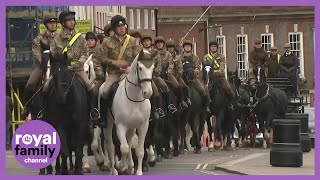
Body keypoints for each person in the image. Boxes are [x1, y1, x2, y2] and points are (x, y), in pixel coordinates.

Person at [49, 10, 98, 120]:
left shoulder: (80, 37)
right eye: (69, 20)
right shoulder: (56, 39)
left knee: (89, 86)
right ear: (63, 23)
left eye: (73, 20)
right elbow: (53, 54)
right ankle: (43, 111)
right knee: (47, 86)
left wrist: (78, 63)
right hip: (62, 70)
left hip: (78, 69)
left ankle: (92, 111)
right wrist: (61, 64)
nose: (72, 22)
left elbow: (85, 53)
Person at [95, 15, 140, 102]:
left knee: (145, 88)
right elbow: (101, 57)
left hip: (130, 73)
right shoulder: (107, 42)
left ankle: (154, 111)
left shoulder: (133, 41)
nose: (122, 28)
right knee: (104, 92)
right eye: (119, 26)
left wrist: (130, 66)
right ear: (114, 28)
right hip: (114, 73)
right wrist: (113, 62)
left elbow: (137, 57)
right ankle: (103, 113)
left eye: (123, 26)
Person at [21, 13, 58, 119]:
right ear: (46, 24)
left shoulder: (60, 38)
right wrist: (44, 61)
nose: (53, 25)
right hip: (43, 66)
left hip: (57, 66)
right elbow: (36, 52)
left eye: (54, 23)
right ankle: (26, 106)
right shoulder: (39, 38)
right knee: (30, 83)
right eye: (50, 23)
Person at [178, 40, 210, 112]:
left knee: (202, 90)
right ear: (184, 48)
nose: (187, 48)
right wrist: (182, 73)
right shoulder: (179, 57)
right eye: (186, 46)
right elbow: (178, 67)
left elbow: (198, 67)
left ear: (191, 48)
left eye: (189, 46)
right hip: (182, 77)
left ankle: (205, 107)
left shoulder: (195, 58)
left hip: (193, 78)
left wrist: (193, 73)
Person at [203, 40, 235, 108]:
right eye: (212, 46)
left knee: (228, 88)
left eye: (215, 46)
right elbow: (204, 66)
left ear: (217, 48)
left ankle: (230, 103)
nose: (213, 48)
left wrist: (219, 71)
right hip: (209, 77)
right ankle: (204, 106)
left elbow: (222, 66)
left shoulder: (221, 56)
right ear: (210, 48)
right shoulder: (206, 57)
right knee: (203, 90)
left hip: (219, 77)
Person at [140, 33, 165, 118]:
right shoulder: (140, 52)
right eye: (144, 41)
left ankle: (158, 109)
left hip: (153, 76)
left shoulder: (155, 52)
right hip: (143, 76)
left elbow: (159, 65)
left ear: (150, 42)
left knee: (160, 88)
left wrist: (156, 72)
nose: (146, 43)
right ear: (142, 43)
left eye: (148, 41)